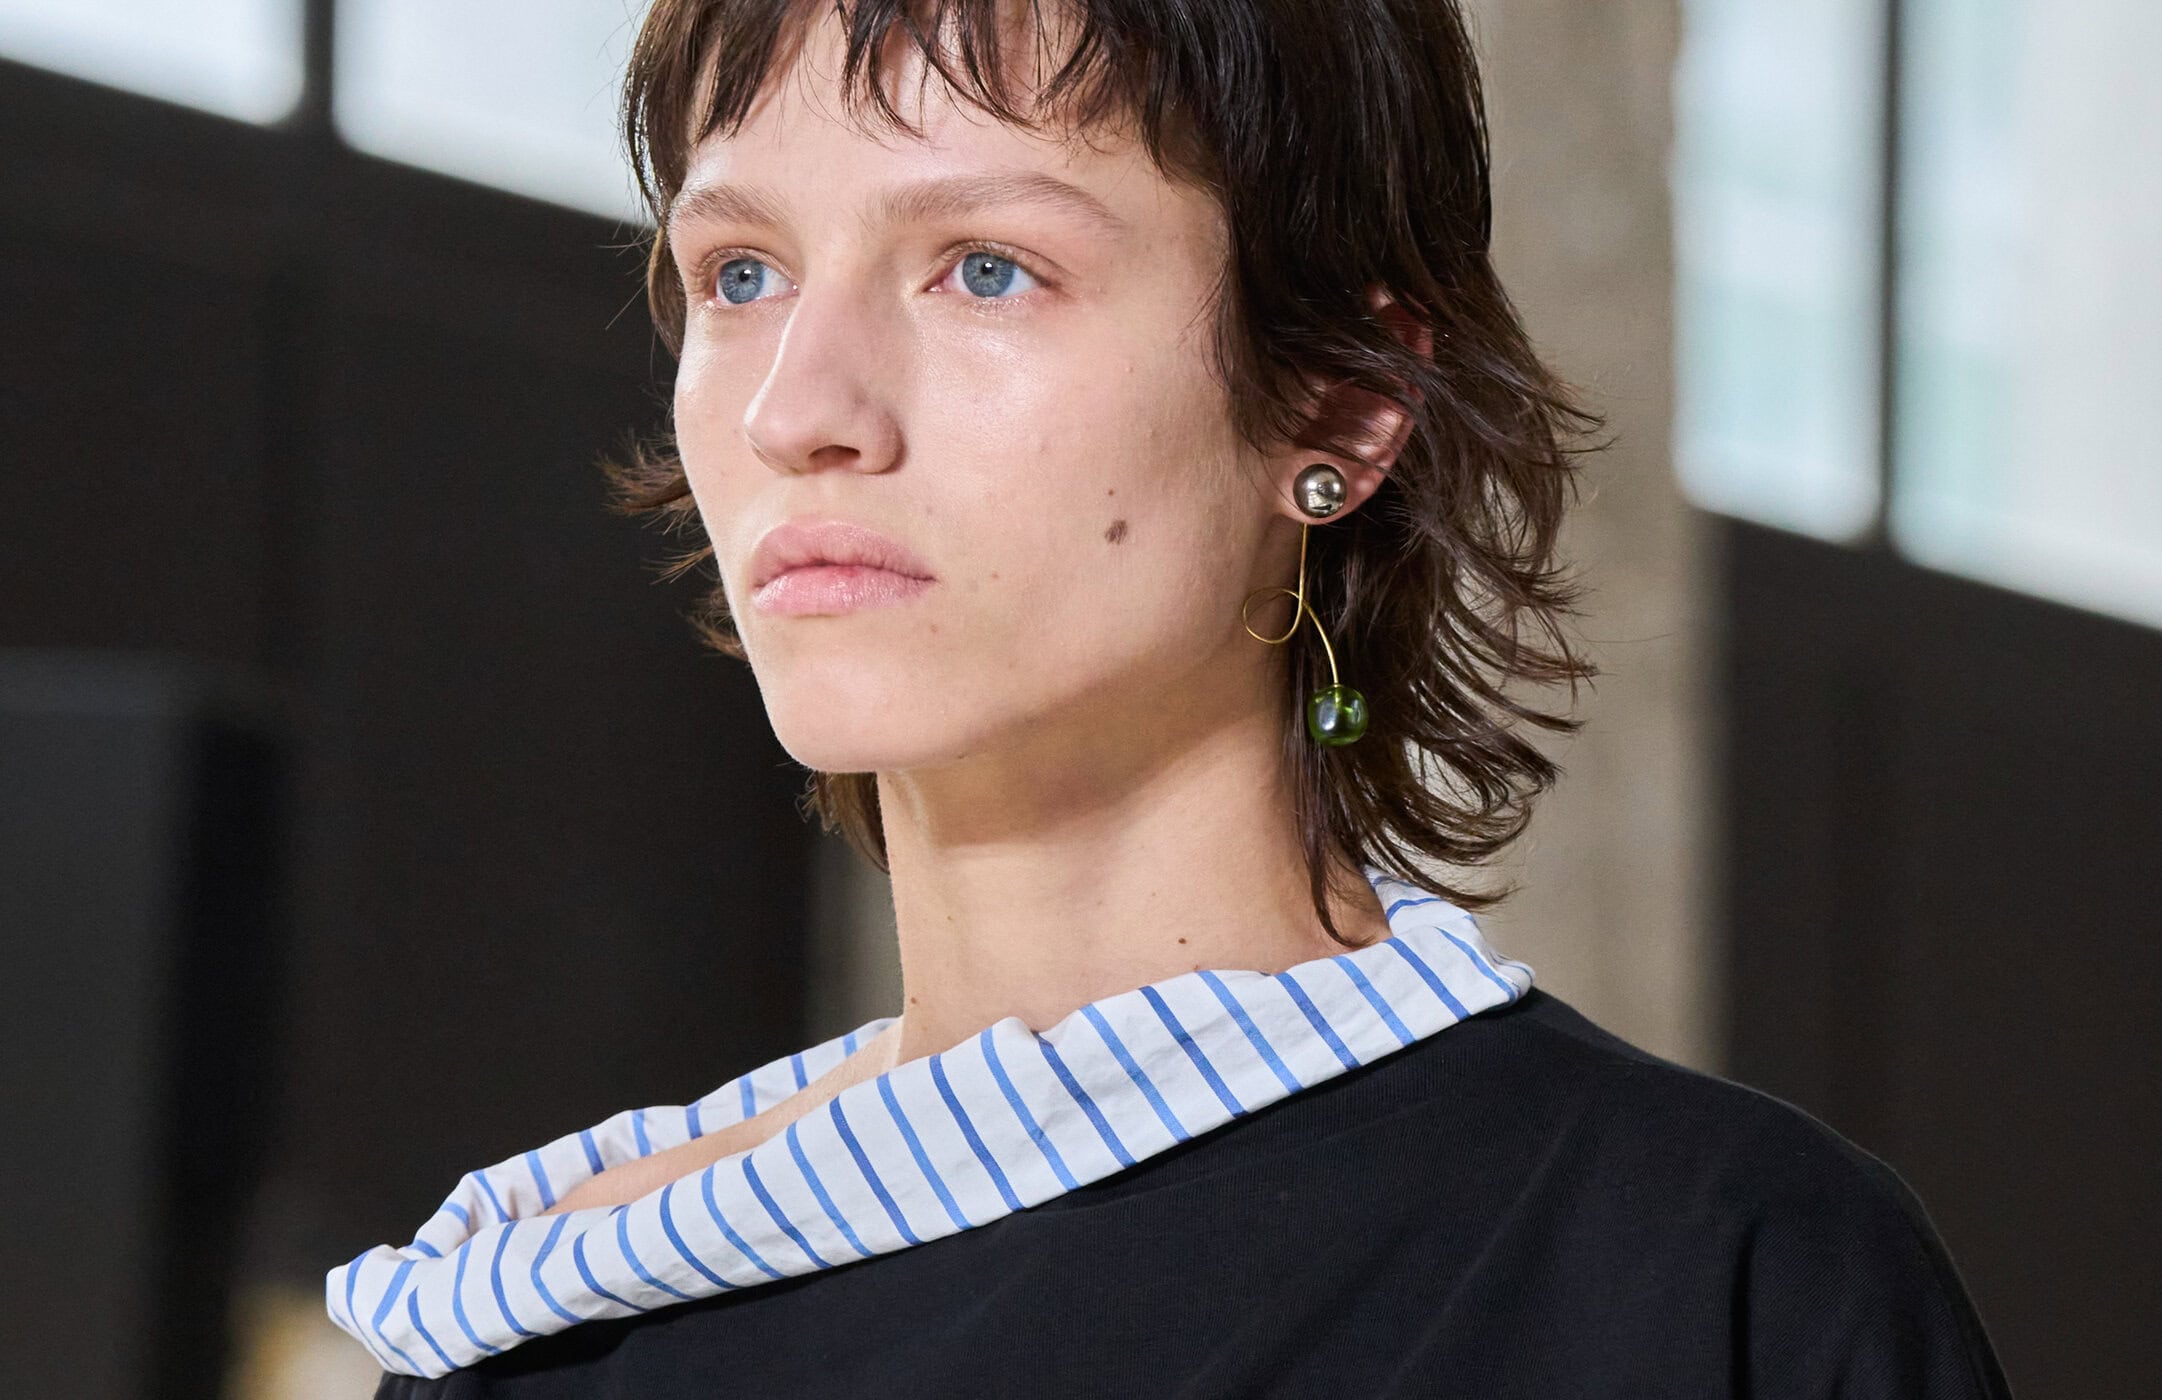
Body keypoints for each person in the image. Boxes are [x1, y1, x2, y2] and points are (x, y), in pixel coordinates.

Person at [329, 0, 2015, 1394]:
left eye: (985, 268)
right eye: (741, 274)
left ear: (1339, 405)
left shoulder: (1702, 1278)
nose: (797, 409)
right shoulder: (537, 1319)